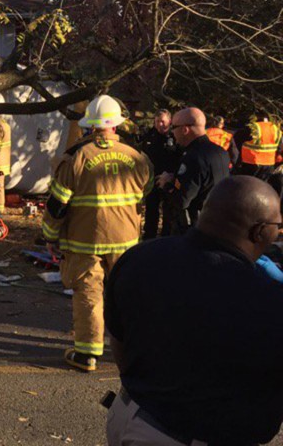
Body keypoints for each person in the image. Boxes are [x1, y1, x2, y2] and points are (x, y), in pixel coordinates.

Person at [105, 176, 283, 446]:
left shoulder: (140, 257)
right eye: (277, 226)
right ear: (258, 232)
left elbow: (119, 340)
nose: (278, 233)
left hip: (129, 413)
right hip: (187, 436)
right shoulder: (267, 299)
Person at [41, 95, 152, 372]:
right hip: (125, 241)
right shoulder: (136, 157)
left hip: (84, 241)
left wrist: (49, 236)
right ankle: (131, 348)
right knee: (124, 293)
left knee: (88, 293)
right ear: (116, 125)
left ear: (89, 126)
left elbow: (57, 205)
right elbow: (146, 192)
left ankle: (87, 353)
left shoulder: (76, 158)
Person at [156, 108, 230, 233]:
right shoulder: (221, 152)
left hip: (196, 228)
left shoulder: (193, 157)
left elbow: (181, 200)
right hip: (218, 221)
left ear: (185, 130)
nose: (172, 133)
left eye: (174, 127)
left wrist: (166, 184)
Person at [137, 109, 180, 239]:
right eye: (157, 122)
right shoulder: (149, 136)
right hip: (152, 178)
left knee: (168, 211)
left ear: (169, 121)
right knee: (151, 210)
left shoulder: (175, 137)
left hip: (169, 180)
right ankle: (149, 237)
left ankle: (166, 237)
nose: (160, 124)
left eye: (162, 121)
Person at [234, 112, 282, 181]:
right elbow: (279, 147)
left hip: (251, 163)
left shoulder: (253, 128)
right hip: (269, 164)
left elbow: (237, 138)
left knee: (248, 185)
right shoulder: (275, 128)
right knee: (263, 186)